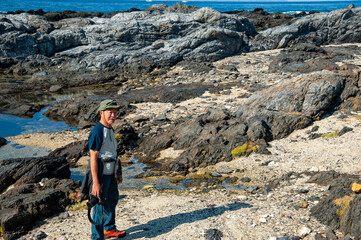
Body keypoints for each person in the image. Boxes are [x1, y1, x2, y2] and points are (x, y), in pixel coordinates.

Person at [81, 99, 126, 240]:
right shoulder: (97, 131)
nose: (113, 115)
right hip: (101, 174)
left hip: (111, 173)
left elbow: (112, 153)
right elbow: (93, 157)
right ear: (101, 113)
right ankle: (96, 236)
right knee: (100, 205)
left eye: (115, 113)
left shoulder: (110, 129)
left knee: (112, 199)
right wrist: (95, 182)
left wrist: (118, 172)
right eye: (110, 112)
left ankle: (109, 228)